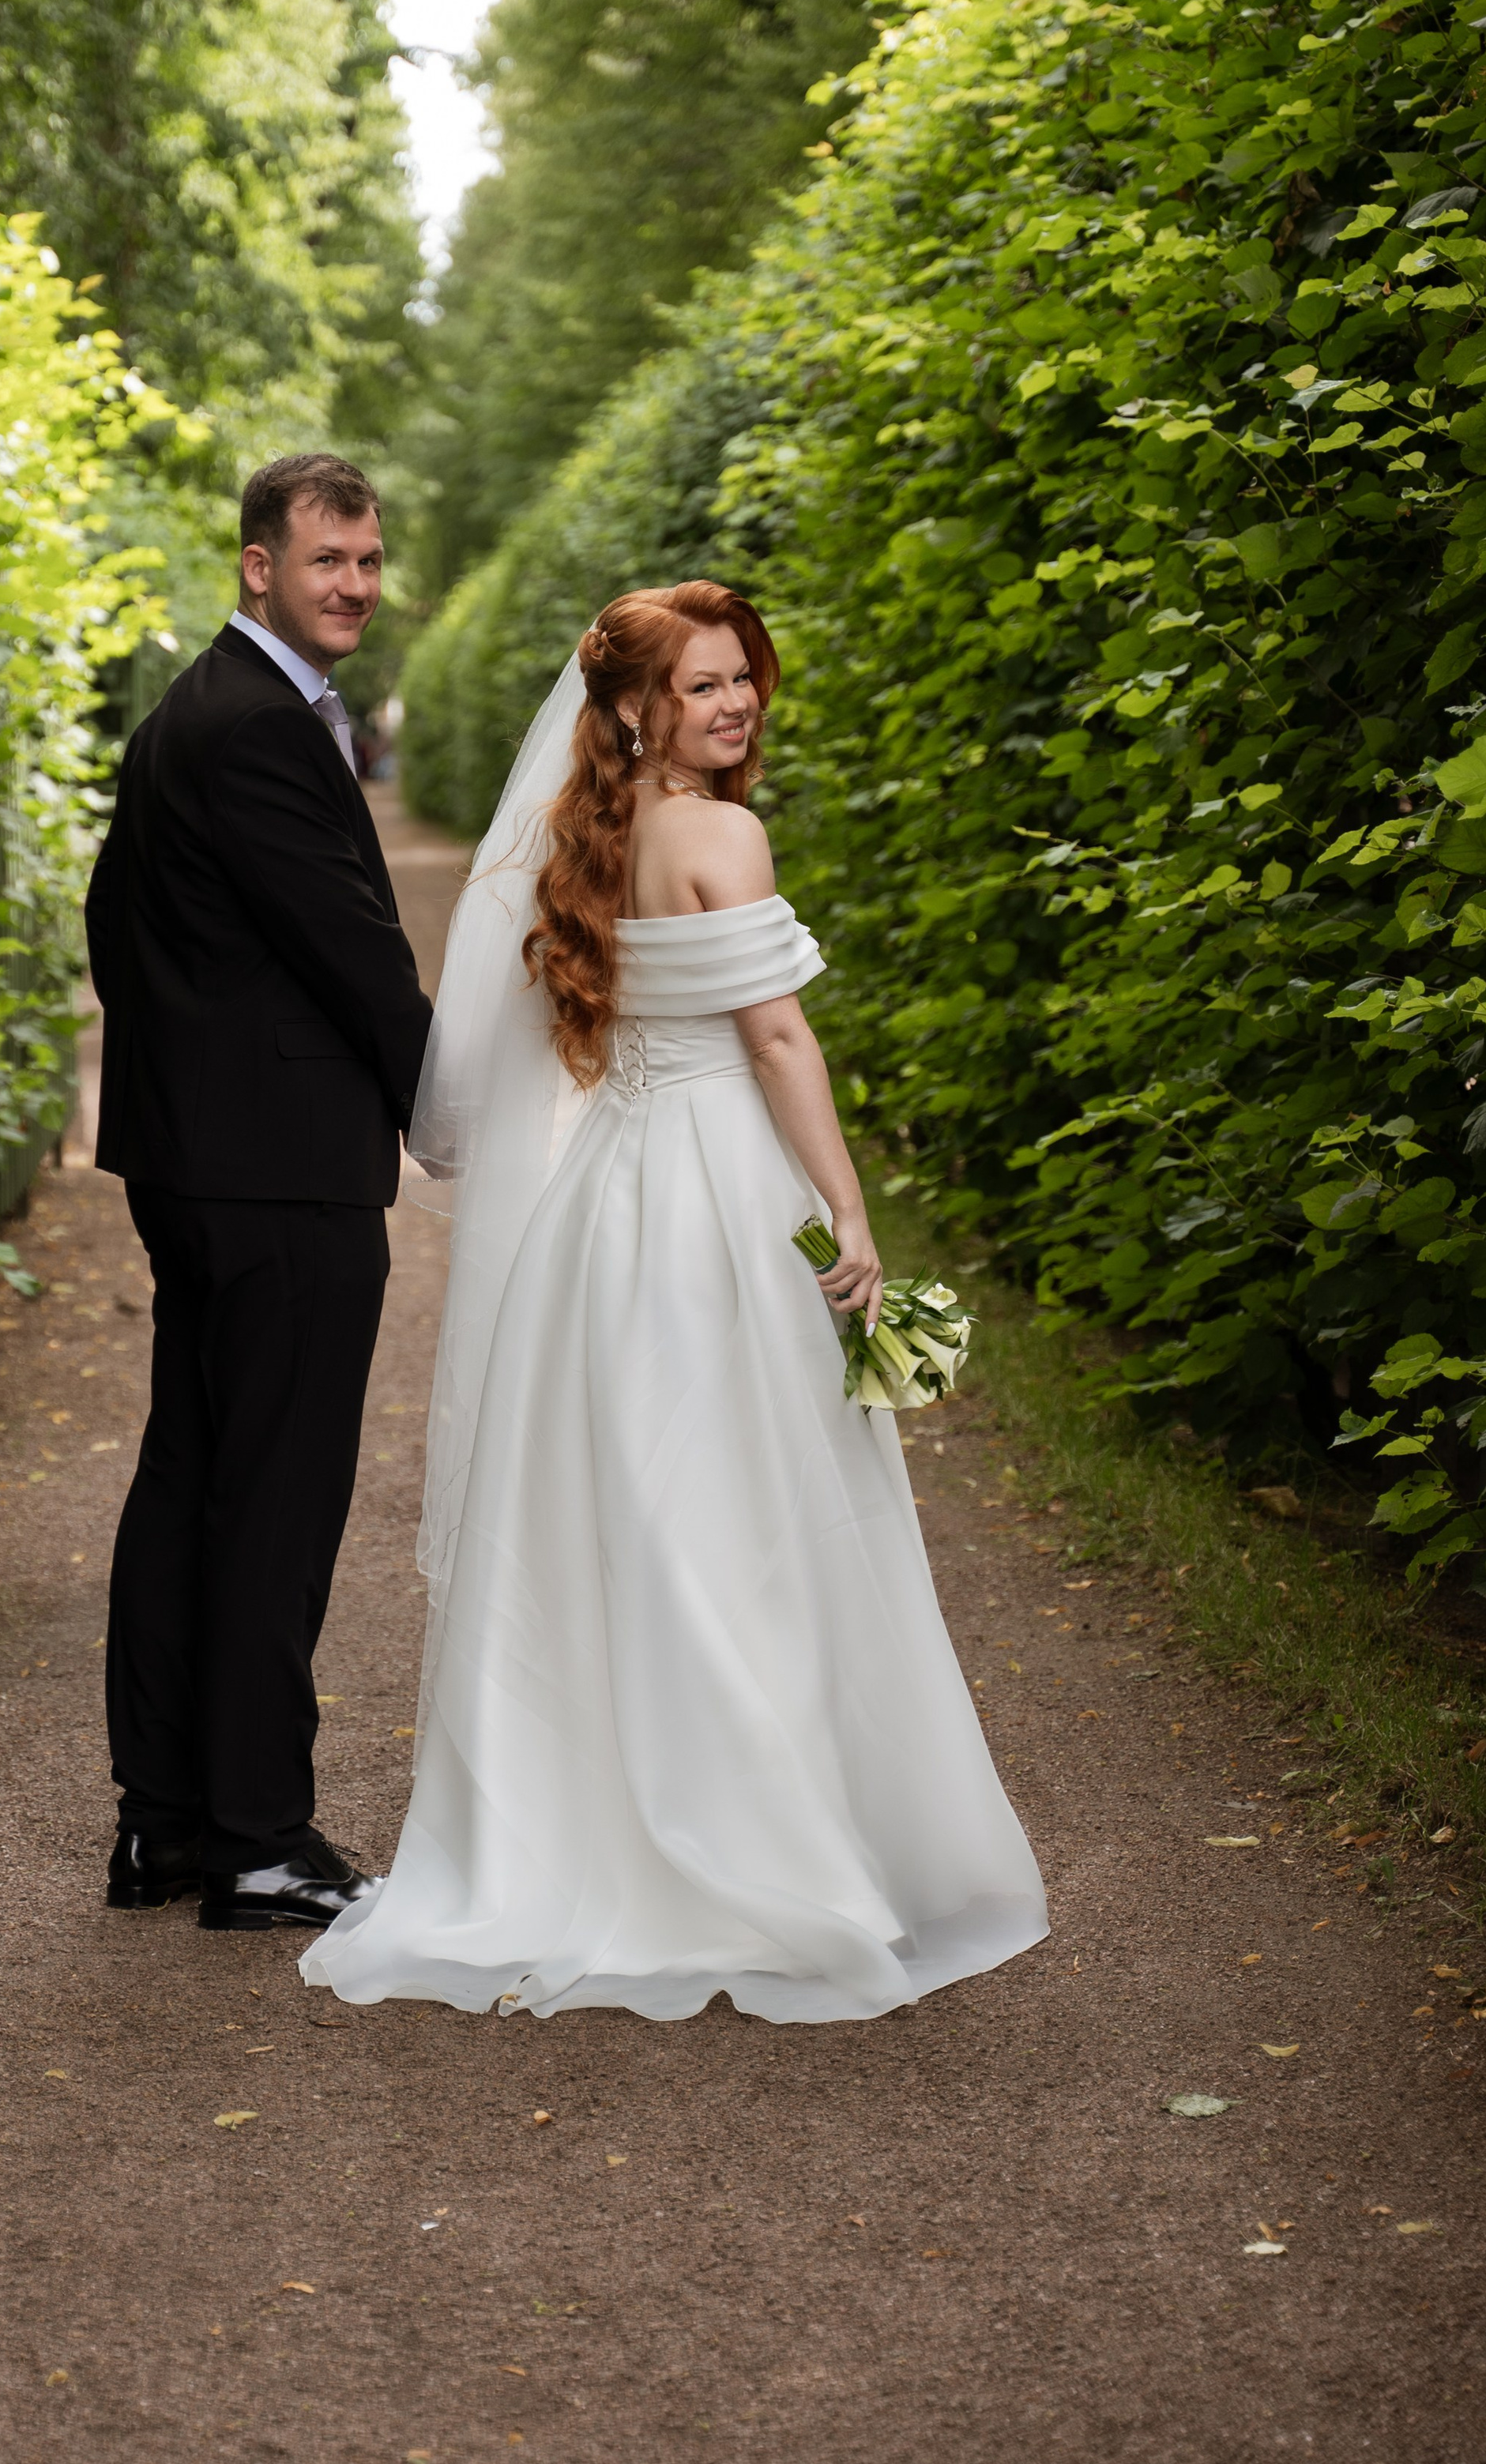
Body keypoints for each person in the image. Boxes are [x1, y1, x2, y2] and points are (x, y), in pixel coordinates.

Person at [302, 579, 1047, 2022]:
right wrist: (849, 1205)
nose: (735, 703)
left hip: (608, 1214)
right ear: (639, 706)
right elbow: (775, 1037)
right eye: (704, 685)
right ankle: (761, 1842)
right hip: (716, 1196)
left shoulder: (589, 837)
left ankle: (588, 1833)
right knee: (747, 1509)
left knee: (618, 1509)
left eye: (742, 678)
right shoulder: (723, 831)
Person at [84, 452, 433, 1932]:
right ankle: (258, 1838)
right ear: (257, 567)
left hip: (203, 1163)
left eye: (365, 560)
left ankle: (166, 1823)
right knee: (274, 1500)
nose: (351, 583)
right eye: (325, 560)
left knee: (196, 1482)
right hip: (278, 1176)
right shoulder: (258, 730)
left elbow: (118, 925)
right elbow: (358, 953)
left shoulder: (194, 714)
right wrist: (464, 1110)